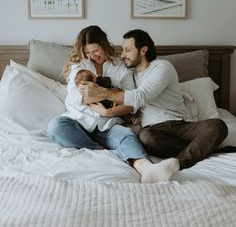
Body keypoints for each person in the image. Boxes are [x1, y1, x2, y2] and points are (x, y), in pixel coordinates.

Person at [79, 28, 228, 170]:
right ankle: (202, 149)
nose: (123, 55)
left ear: (143, 50)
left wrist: (102, 92)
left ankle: (180, 163)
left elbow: (141, 96)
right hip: (154, 131)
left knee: (218, 125)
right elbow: (124, 99)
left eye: (128, 50)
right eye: (123, 49)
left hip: (180, 125)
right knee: (146, 137)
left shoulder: (162, 67)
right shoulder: (129, 75)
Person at [47, 25, 180, 183]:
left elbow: (130, 104)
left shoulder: (122, 68)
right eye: (87, 52)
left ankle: (147, 168)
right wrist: (114, 94)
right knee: (56, 126)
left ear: (104, 45)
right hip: (78, 121)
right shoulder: (79, 66)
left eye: (96, 51)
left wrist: (108, 110)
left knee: (127, 136)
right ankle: (99, 149)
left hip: (108, 124)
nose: (92, 56)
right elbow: (80, 98)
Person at [75, 68, 140, 124]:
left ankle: (129, 118)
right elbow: (108, 81)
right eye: (92, 73)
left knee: (118, 109)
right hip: (112, 100)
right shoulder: (99, 80)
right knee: (119, 108)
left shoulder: (87, 93)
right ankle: (130, 118)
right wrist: (101, 77)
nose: (94, 73)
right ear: (94, 79)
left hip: (107, 105)